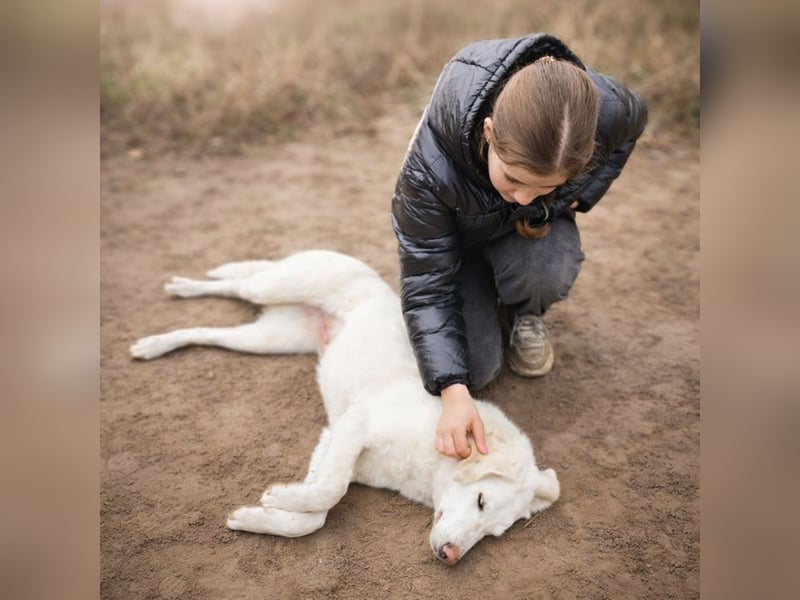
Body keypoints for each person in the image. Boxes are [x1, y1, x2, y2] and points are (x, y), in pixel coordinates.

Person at [391, 33, 648, 459]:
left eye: (545, 185)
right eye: (513, 179)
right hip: (458, 245)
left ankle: (524, 311)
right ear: (489, 133)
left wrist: (581, 195)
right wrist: (453, 393)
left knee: (547, 268)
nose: (525, 196)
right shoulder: (428, 170)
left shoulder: (606, 111)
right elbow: (427, 283)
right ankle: (483, 290)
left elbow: (635, 120)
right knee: (475, 369)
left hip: (527, 232)